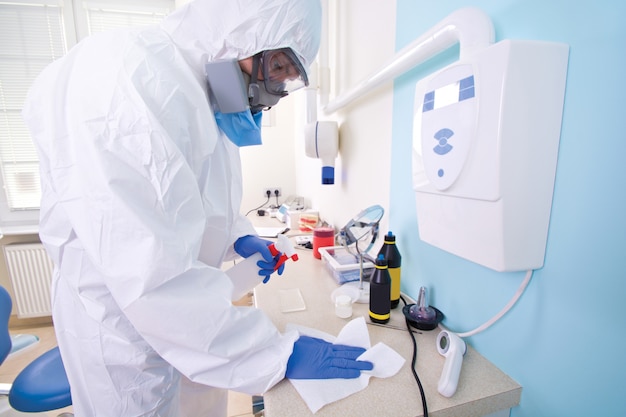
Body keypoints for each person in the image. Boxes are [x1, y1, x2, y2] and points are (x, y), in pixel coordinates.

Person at [22, 0, 372, 416]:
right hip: (124, 334)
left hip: (182, 318)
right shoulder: (132, 83)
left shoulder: (197, 93)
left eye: (288, 78)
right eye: (278, 67)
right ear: (239, 33)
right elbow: (149, 270)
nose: (276, 92)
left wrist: (239, 237)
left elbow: (190, 205)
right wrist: (273, 354)